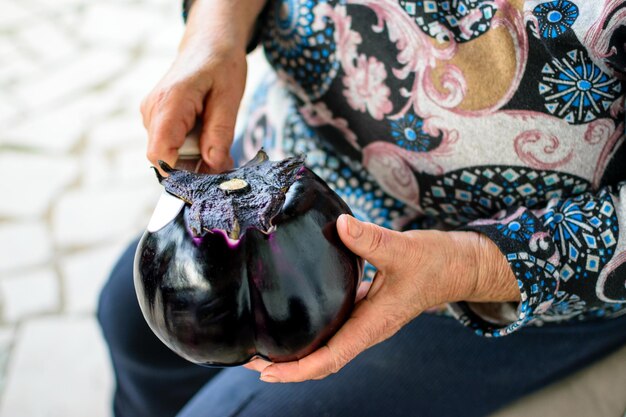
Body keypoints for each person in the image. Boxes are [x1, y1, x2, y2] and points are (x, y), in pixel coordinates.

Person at [97, 0, 626, 416]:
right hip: (289, 158)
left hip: (516, 270)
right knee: (126, 320)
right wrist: (214, 31)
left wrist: (472, 265)